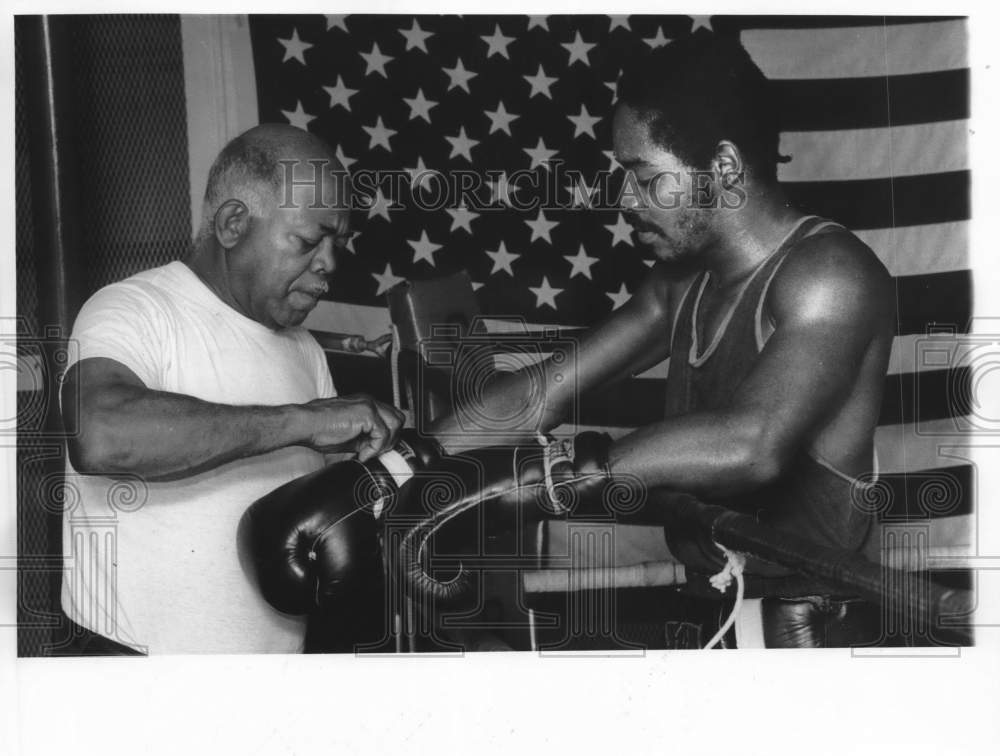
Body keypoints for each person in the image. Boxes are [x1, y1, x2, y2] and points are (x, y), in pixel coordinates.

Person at [428, 32, 895, 648]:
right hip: (713, 615)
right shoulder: (682, 283)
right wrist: (406, 464)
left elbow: (752, 442)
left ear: (723, 169)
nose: (623, 198)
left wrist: (554, 480)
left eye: (644, 176)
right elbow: (546, 391)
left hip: (806, 641)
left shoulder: (830, 274)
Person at [57, 124, 404, 655]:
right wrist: (304, 422)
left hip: (264, 695)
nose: (329, 265)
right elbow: (101, 435)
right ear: (233, 223)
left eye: (337, 244)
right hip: (138, 687)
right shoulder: (136, 308)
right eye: (310, 241)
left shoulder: (302, 349)